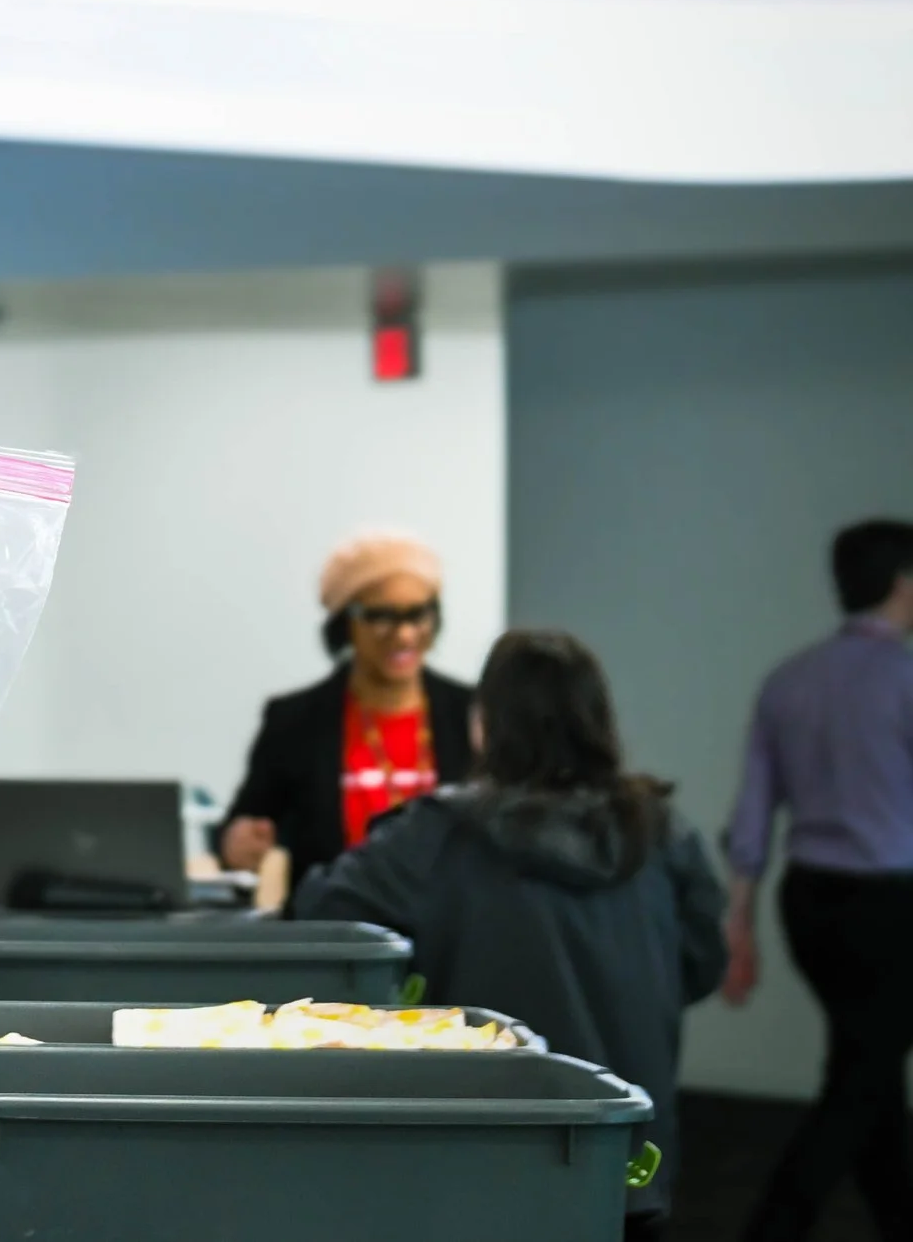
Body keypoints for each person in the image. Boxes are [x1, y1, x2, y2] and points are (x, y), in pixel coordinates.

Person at [296, 630, 727, 1237]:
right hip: (630, 1162)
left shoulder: (437, 834)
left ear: (486, 724)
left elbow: (321, 915)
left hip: (484, 1158)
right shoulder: (662, 831)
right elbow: (703, 966)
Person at [722, 518, 913, 1242]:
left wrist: (740, 923)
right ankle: (773, 1227)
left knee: (868, 1064)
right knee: (860, 1081)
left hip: (809, 904)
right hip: (893, 906)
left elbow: (752, 813)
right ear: (902, 582)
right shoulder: (907, 680)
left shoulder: (787, 679)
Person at [218, 531, 475, 887]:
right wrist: (238, 844)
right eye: (382, 617)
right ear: (345, 624)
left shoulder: (472, 714)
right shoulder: (295, 721)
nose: (404, 635)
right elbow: (240, 826)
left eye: (418, 615)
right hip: (332, 930)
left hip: (451, 932)